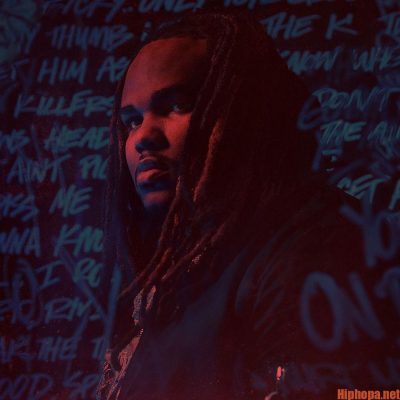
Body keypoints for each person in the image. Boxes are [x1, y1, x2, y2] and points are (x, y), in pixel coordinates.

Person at [98, 11, 370, 400]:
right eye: (131, 121)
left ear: (242, 111)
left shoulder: (316, 246)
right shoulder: (183, 262)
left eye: (175, 105)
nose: (143, 137)